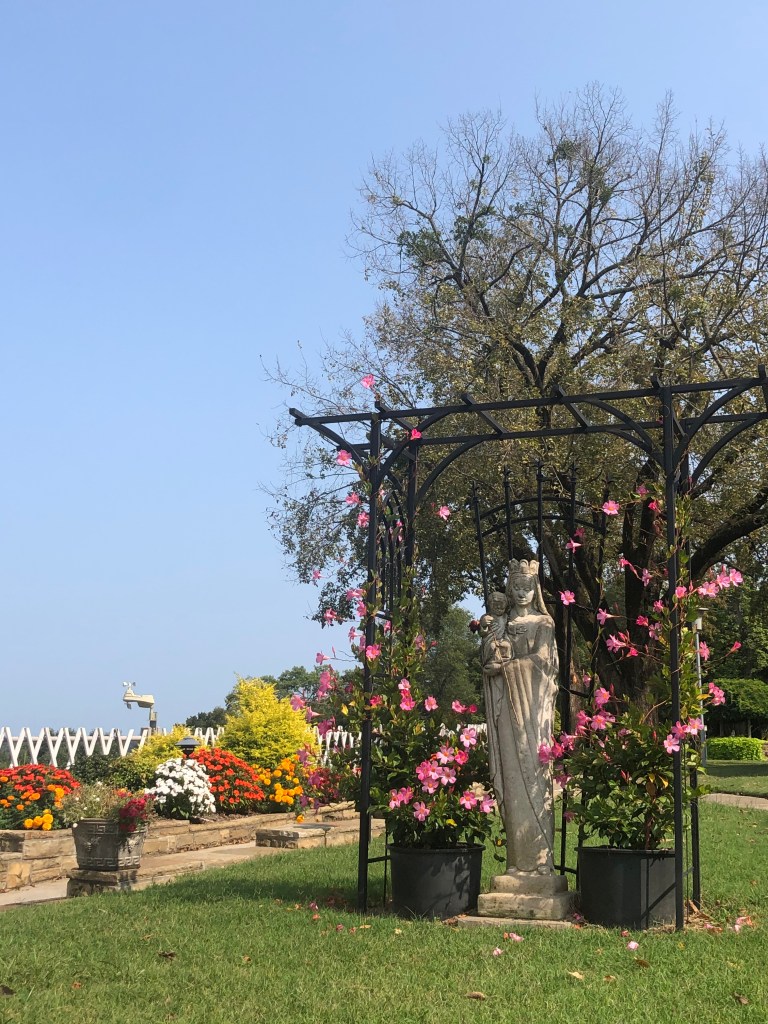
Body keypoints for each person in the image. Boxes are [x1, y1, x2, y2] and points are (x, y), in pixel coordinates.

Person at [480, 559, 559, 875]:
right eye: (517, 587)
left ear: (535, 589)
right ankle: (517, 860)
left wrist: (509, 667)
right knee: (512, 782)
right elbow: (488, 659)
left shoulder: (544, 624)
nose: (523, 592)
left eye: (528, 587)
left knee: (537, 780)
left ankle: (540, 861)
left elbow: (545, 664)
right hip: (506, 712)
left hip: (533, 712)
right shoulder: (498, 622)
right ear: (509, 591)